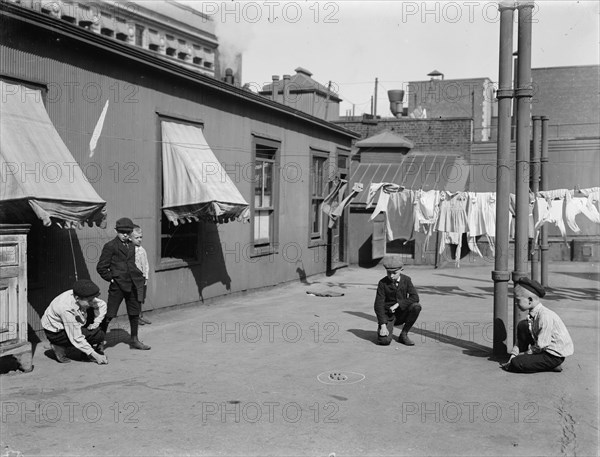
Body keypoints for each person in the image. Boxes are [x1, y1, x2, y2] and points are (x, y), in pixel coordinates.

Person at [97, 217, 151, 350]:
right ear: (116, 231)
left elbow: (131, 264)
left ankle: (134, 340)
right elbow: (101, 267)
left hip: (132, 284)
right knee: (109, 314)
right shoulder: (110, 246)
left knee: (134, 313)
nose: (125, 235)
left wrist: (139, 276)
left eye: (128, 232)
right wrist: (112, 278)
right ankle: (99, 343)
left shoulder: (132, 246)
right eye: (122, 232)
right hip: (118, 286)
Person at [501, 277, 574, 373]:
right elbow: (521, 340)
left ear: (530, 300)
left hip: (553, 355)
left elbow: (541, 345)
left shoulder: (544, 316)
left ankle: (552, 365)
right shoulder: (534, 313)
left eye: (517, 300)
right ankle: (535, 361)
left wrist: (523, 355)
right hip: (543, 349)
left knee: (517, 363)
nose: (515, 303)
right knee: (523, 325)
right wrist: (514, 354)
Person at [41, 279, 108, 364]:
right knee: (97, 335)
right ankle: (58, 345)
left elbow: (102, 305)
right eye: (89, 300)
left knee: (97, 327)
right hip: (56, 333)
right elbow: (76, 337)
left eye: (93, 299)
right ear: (77, 298)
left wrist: (96, 323)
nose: (92, 302)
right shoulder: (65, 308)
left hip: (71, 322)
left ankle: (85, 350)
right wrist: (95, 355)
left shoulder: (82, 295)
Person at [374, 254, 422, 346]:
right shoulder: (382, 283)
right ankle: (385, 329)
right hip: (388, 316)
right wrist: (383, 326)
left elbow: (415, 297)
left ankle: (403, 335)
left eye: (394, 273)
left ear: (401, 270)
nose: (391, 276)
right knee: (384, 341)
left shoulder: (406, 280)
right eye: (388, 273)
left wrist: (398, 304)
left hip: (402, 314)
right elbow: (378, 305)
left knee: (416, 307)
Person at [131, 225, 151, 325]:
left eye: (141, 237)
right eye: (137, 237)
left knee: (140, 298)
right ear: (130, 238)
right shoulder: (130, 251)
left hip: (141, 278)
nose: (139, 240)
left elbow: (146, 264)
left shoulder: (142, 250)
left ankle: (140, 316)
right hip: (133, 278)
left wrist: (146, 276)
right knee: (134, 299)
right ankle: (135, 318)